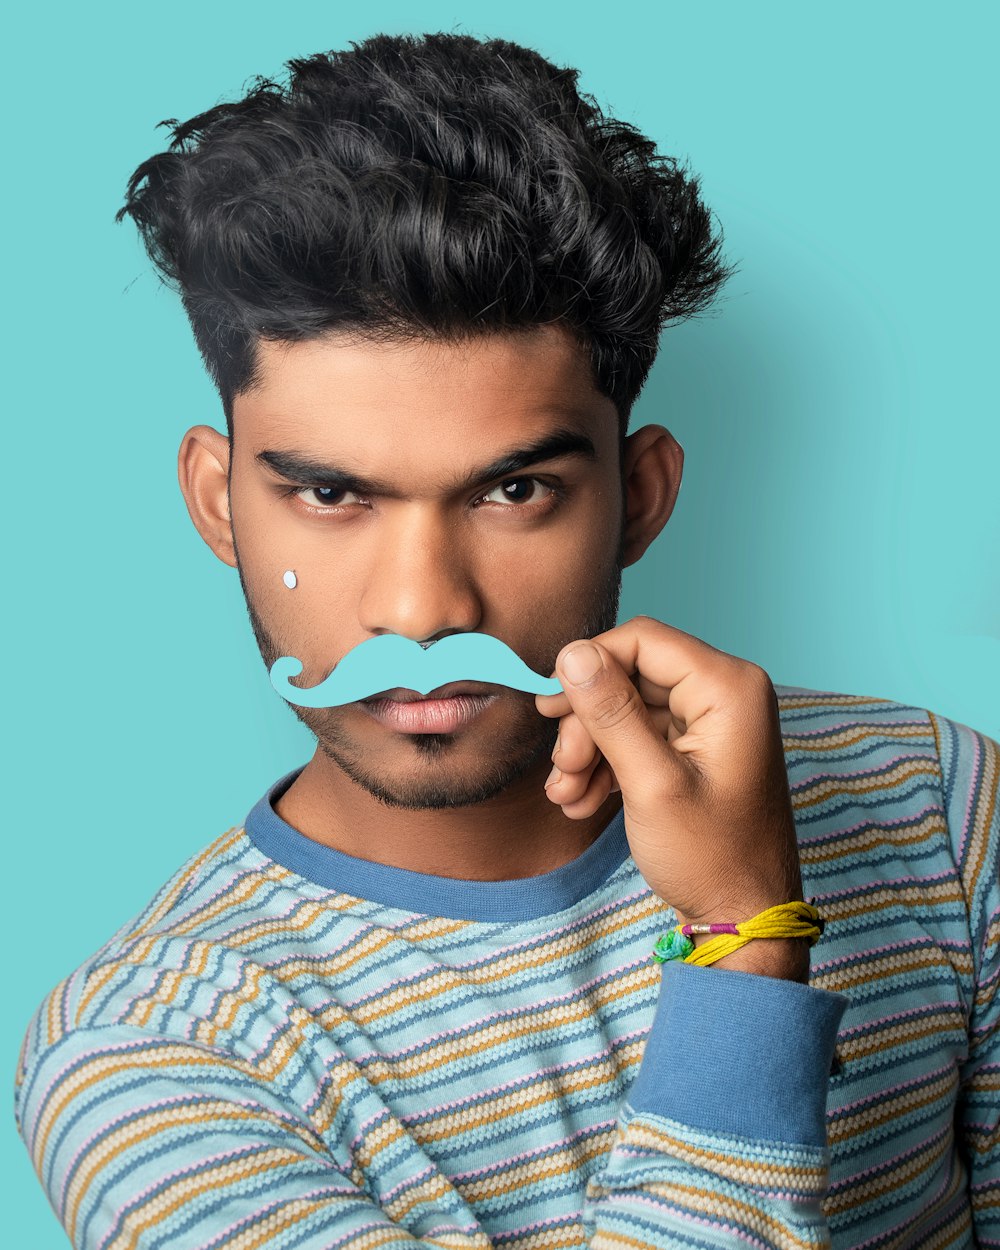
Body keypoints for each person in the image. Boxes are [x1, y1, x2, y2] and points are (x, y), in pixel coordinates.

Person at [13, 31, 998, 1250]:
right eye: (330, 494)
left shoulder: (934, 804)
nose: (423, 611)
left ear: (638, 494)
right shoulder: (157, 1058)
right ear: (219, 499)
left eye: (512, 492)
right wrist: (747, 946)